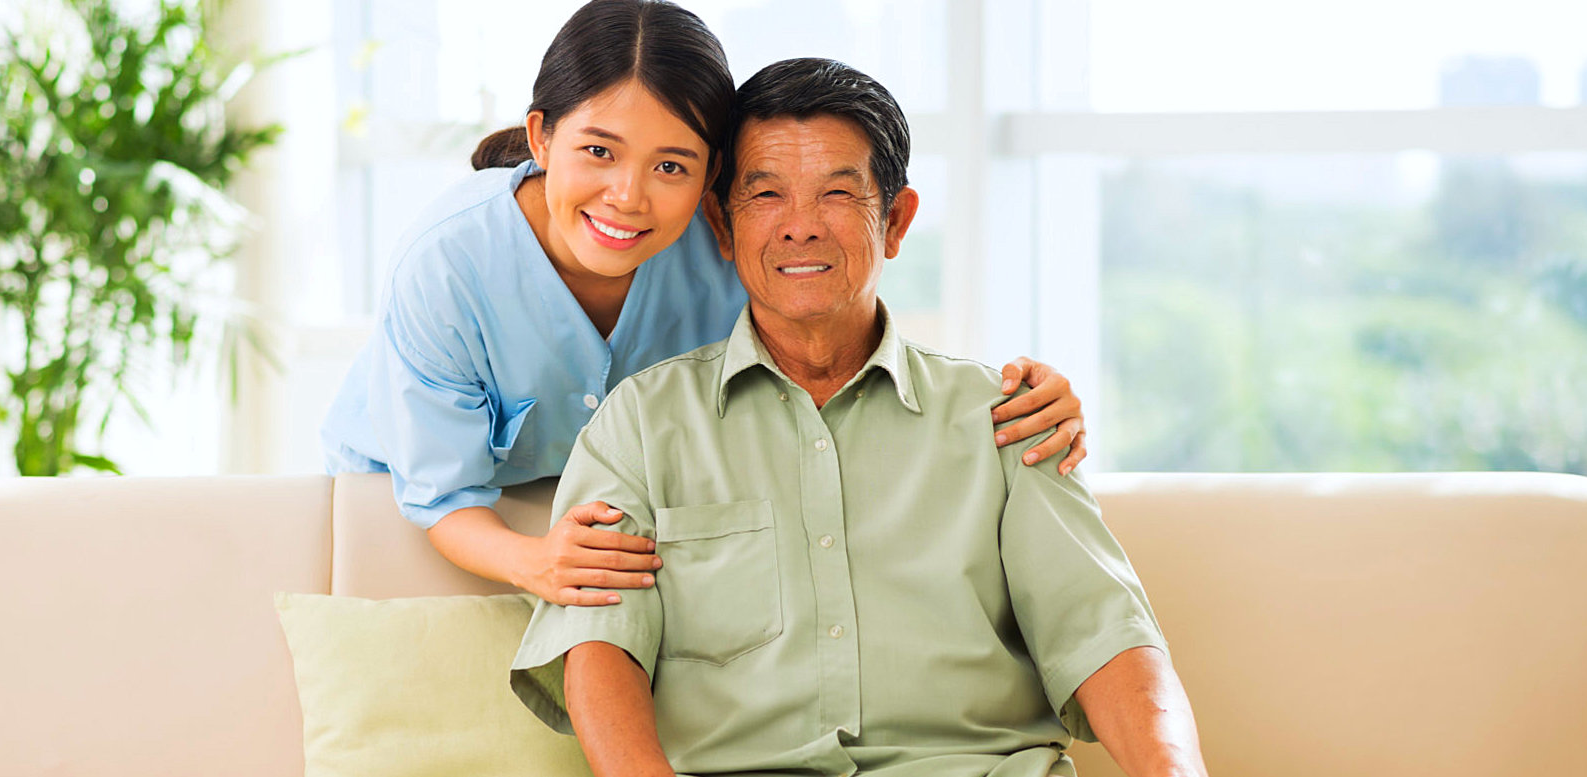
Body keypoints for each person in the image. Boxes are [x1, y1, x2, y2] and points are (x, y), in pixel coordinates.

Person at [508, 58, 1209, 777]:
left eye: (838, 194)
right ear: (722, 222)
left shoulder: (1007, 417)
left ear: (897, 221)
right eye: (767, 195)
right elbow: (599, 642)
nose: (801, 227)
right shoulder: (642, 424)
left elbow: (1108, 638)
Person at [320, 0, 1091, 608]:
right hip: (423, 510)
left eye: (671, 165)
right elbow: (441, 491)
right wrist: (534, 558)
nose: (628, 196)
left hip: (611, 508)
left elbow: (836, 344)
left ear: (711, 178)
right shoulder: (449, 261)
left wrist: (1016, 403)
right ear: (542, 136)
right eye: (598, 150)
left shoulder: (726, 242)